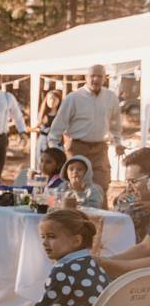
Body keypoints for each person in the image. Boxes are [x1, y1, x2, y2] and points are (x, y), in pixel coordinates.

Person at [47, 64, 124, 199]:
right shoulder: (74, 97)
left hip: (100, 149)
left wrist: (118, 143)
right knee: (76, 188)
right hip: (77, 148)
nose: (95, 79)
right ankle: (74, 218)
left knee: (101, 187)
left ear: (105, 78)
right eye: (92, 76)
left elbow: (115, 124)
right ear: (86, 77)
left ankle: (100, 218)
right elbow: (58, 125)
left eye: (99, 76)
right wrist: (54, 149)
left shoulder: (111, 97)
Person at [113, 148, 150, 243]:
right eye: (127, 181)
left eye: (134, 181)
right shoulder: (130, 192)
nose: (129, 188)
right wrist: (118, 199)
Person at [36, 89, 63, 165]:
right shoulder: (43, 114)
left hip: (56, 141)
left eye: (54, 99)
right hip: (43, 141)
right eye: (49, 99)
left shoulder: (61, 115)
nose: (52, 101)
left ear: (59, 100)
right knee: (41, 162)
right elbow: (39, 126)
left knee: (54, 162)